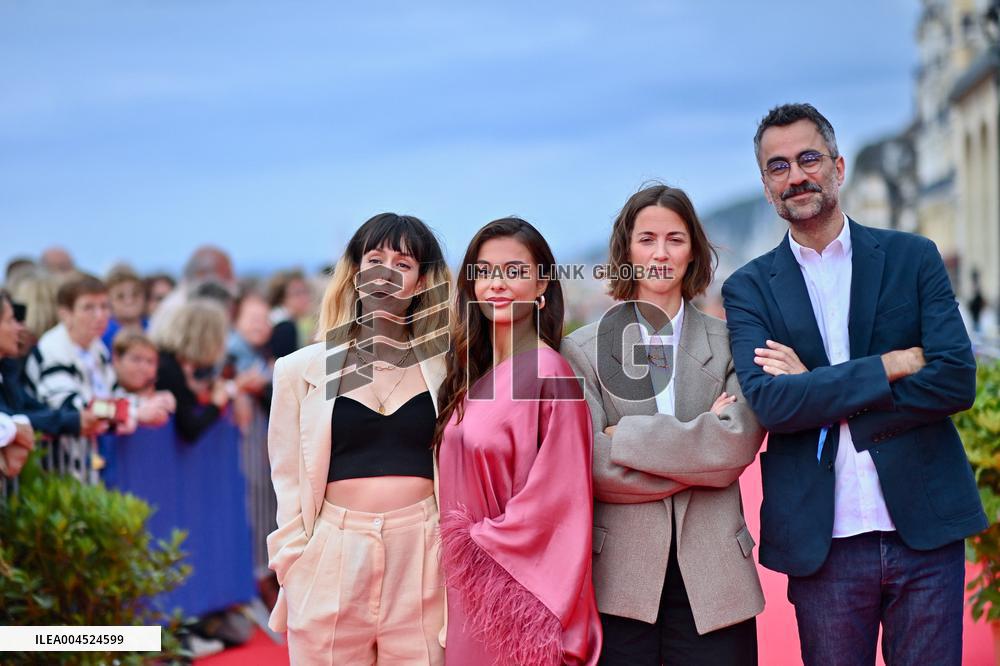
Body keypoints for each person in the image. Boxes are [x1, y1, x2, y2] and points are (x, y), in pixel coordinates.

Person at [722, 103, 986, 666]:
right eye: (778, 166)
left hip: (925, 530)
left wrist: (817, 388)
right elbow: (773, 403)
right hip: (825, 546)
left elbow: (955, 381)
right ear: (767, 186)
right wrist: (887, 366)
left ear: (838, 167)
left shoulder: (912, 258)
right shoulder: (749, 289)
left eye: (808, 158)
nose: (796, 175)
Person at [560, 185, 765, 665]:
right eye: (646, 238)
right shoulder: (583, 350)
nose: (660, 253)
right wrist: (698, 450)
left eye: (674, 239)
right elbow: (591, 462)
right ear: (626, 250)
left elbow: (733, 448)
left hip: (716, 579)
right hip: (621, 582)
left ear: (692, 249)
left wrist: (625, 437)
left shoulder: (732, 341)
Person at [266, 213, 451, 665]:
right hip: (330, 555)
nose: (387, 274)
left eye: (403, 264)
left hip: (424, 554)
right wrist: (296, 562)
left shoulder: (450, 369)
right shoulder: (298, 370)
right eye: (374, 260)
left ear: (422, 281)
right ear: (354, 273)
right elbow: (287, 477)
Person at [436, 217, 602, 665]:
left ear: (542, 281)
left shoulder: (551, 375)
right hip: (461, 592)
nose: (497, 284)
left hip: (512, 591)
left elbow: (561, 500)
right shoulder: (472, 374)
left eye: (514, 271)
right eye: (485, 271)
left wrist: (477, 542)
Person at [152, 298, 234, 443]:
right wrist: (215, 404)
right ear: (205, 338)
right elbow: (189, 429)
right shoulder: (168, 369)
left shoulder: (173, 364)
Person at [102, 264, 149, 349]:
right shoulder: (102, 333)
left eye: (135, 294)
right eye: (120, 296)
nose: (129, 301)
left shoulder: (154, 327)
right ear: (108, 300)